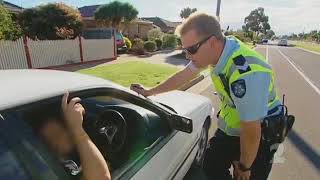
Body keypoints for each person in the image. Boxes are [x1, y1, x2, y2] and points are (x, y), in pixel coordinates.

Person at [130, 12, 282, 180]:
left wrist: (245, 166)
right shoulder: (216, 53)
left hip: (258, 136)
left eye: (191, 50)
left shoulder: (246, 73)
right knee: (211, 165)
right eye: (185, 50)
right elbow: (183, 75)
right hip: (233, 128)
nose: (188, 56)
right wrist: (150, 91)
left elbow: (252, 130)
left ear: (212, 42)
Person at [33, 93, 111, 180]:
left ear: (68, 130)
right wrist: (77, 129)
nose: (54, 144)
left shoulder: (74, 156)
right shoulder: (50, 167)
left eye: (56, 135)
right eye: (47, 141)